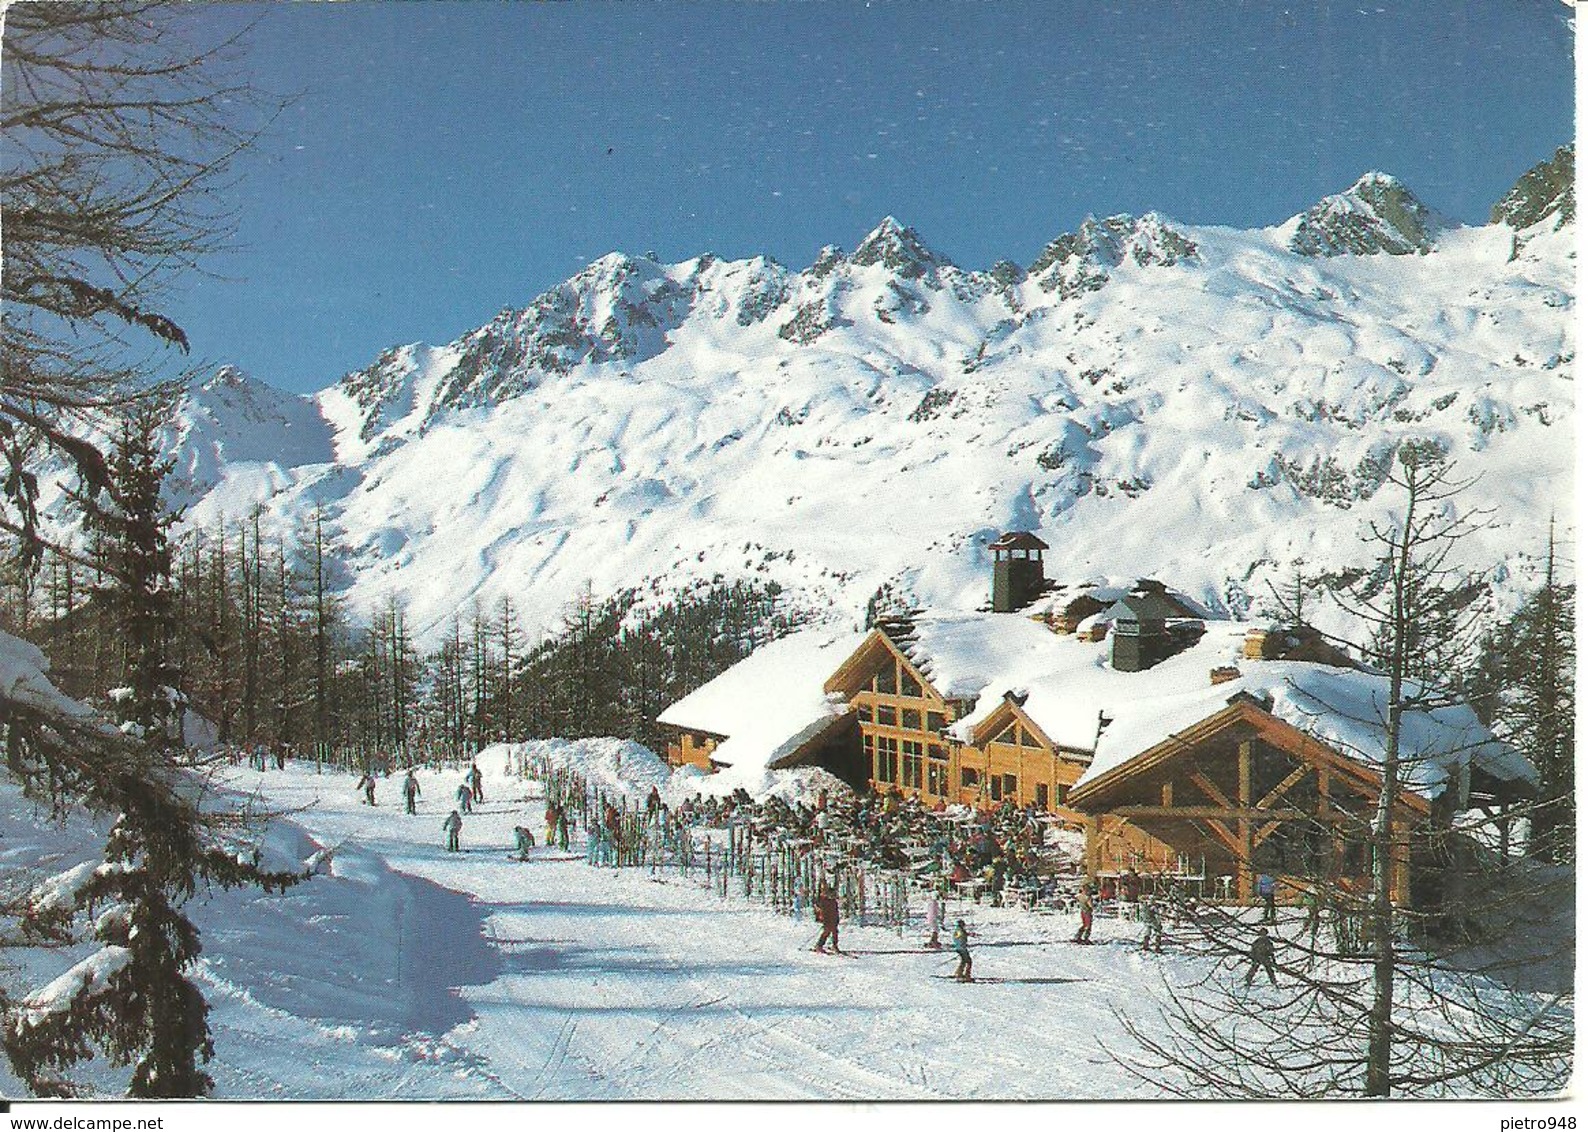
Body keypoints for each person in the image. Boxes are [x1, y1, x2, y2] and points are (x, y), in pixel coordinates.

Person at [813, 883, 841, 953]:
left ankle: (834, 945)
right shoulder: (824, 901)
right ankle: (819, 945)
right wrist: (822, 918)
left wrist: (837, 919)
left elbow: (835, 911)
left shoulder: (834, 902)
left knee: (835, 932)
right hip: (827, 919)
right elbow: (821, 911)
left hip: (833, 919)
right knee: (826, 932)